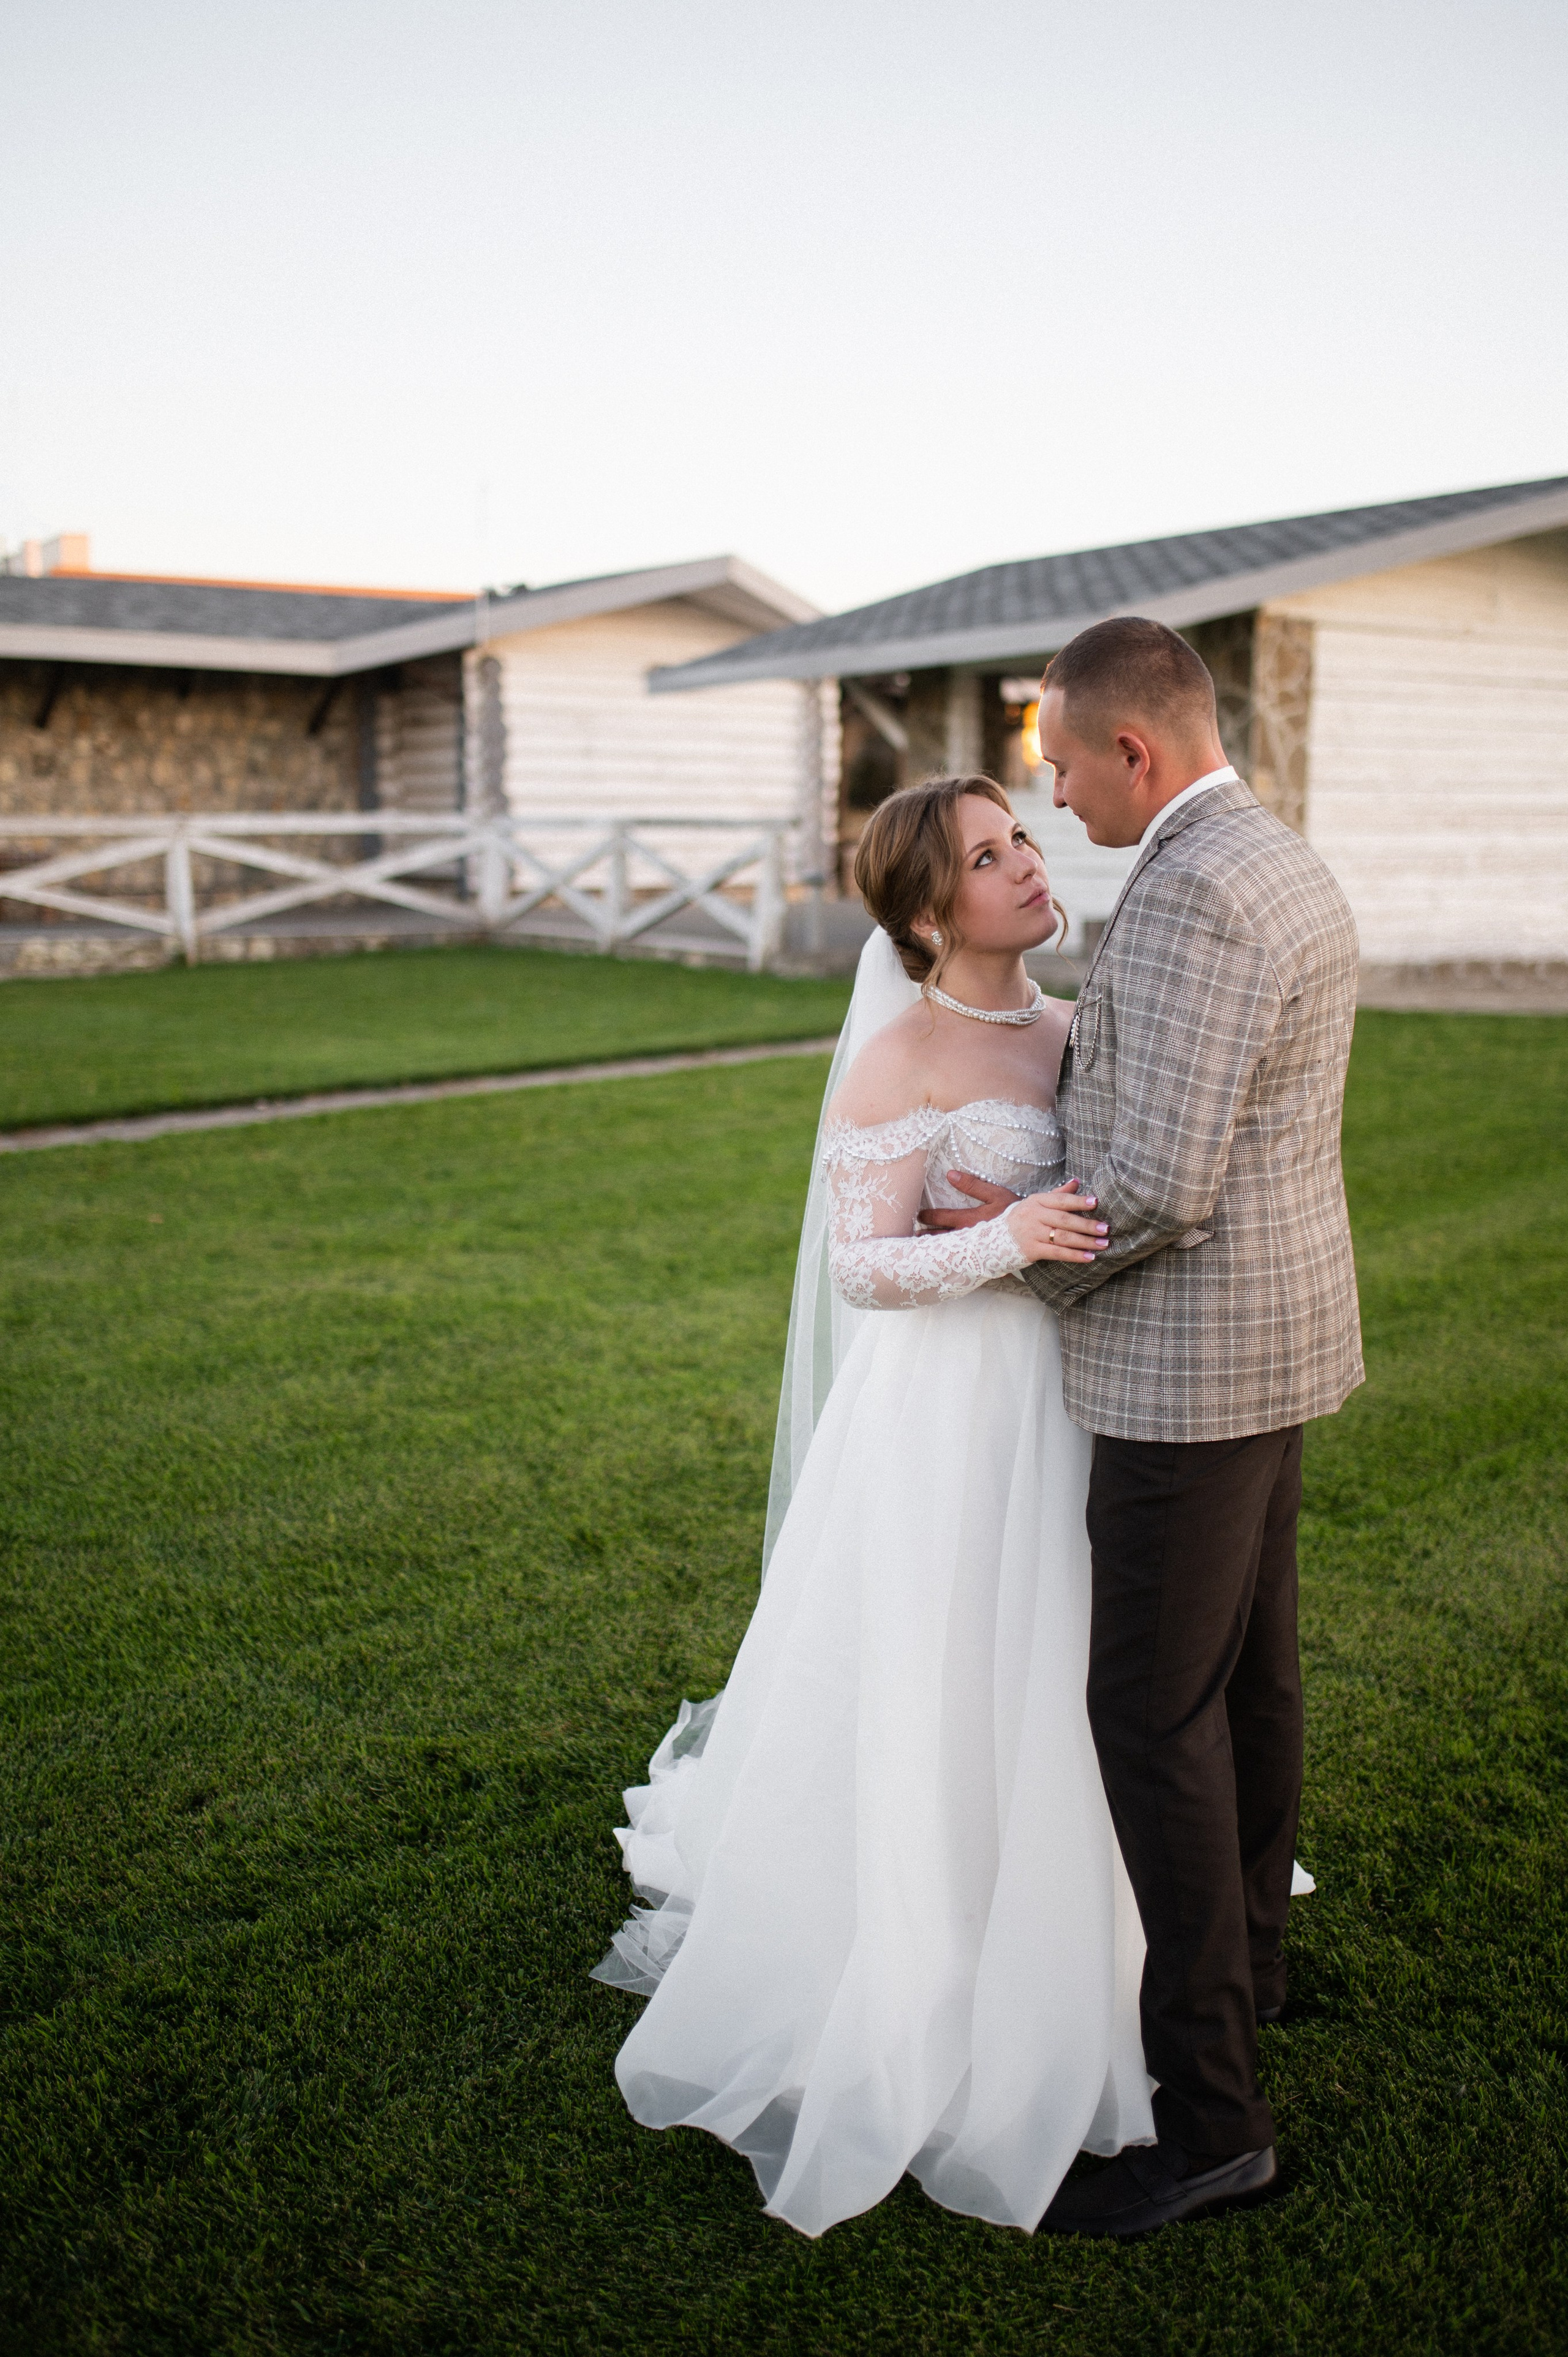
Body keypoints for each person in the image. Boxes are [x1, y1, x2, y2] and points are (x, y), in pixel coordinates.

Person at [592, 773, 1155, 2238]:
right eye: (990, 854)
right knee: (942, 1666)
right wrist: (1002, 1239)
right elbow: (862, 1263)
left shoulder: (1070, 1030)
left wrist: (1046, 1234)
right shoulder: (896, 1059)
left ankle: (1088, 1914)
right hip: (943, 1423)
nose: (1029, 864)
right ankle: (926, 1941)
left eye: (1022, 837)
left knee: (1066, 1661)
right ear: (924, 909)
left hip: (1067, 1405)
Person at [925, 616, 1363, 2236]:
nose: (1052, 800)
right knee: (1252, 1687)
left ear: (1137, 751)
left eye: (1057, 763)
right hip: (1279, 1344)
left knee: (1151, 1716)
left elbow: (1164, 1181)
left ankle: (1212, 2121)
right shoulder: (1280, 855)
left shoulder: (1188, 889)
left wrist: (1007, 1252)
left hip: (1190, 1370)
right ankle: (1254, 1977)